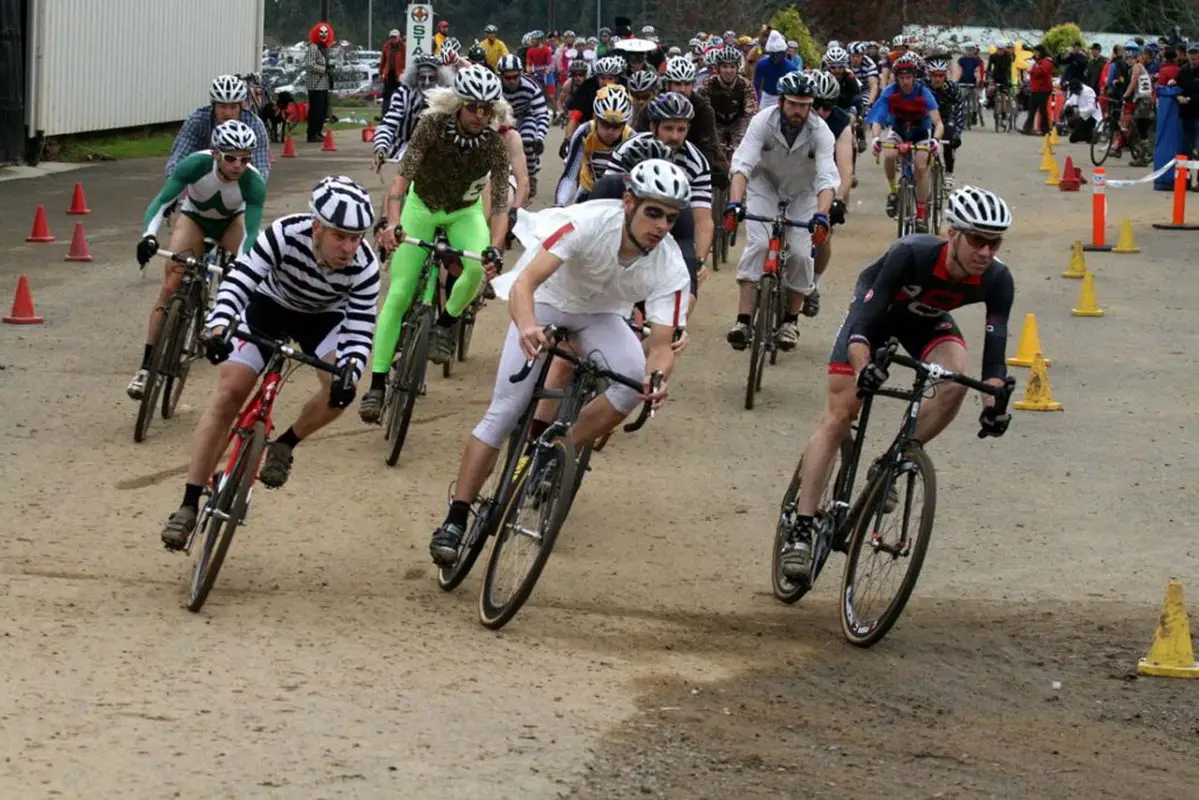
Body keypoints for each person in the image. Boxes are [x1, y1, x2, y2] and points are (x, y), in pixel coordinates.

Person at [426, 159, 691, 565]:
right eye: (653, 212)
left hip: (601, 316)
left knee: (633, 382)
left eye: (670, 219)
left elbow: (659, 347)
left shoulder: (670, 263)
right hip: (546, 301)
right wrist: (529, 327)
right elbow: (525, 285)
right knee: (506, 410)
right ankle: (456, 517)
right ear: (628, 202)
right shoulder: (587, 223)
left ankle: (553, 453)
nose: (660, 226)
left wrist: (659, 375)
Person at [778, 186, 1014, 580]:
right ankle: (801, 530)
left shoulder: (998, 279)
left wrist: (993, 405)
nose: (986, 252)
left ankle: (893, 459)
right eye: (977, 240)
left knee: (956, 379)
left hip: (926, 322)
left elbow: (994, 358)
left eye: (994, 243)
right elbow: (863, 328)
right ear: (952, 234)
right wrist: (864, 367)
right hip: (875, 317)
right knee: (839, 417)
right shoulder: (912, 254)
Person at [157, 176, 380, 549]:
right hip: (269, 307)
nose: (349, 247)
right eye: (340, 236)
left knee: (341, 391)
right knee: (230, 392)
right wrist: (217, 327)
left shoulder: (364, 268)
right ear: (317, 227)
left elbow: (359, 330)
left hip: (323, 319)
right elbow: (240, 280)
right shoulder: (284, 233)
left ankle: (285, 444)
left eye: (357, 238)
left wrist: (351, 370)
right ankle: (188, 503)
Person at [362, 66, 511, 421]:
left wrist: (497, 246)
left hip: (463, 212)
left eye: (486, 109)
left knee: (475, 269)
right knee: (398, 293)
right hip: (421, 206)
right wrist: (394, 224)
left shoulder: (493, 144)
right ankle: (378, 384)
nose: (479, 115)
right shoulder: (430, 126)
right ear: (458, 103)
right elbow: (402, 179)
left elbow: (502, 203)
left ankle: (445, 325)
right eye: (473, 106)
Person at [129, 121, 268, 399]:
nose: (238, 165)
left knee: (251, 275)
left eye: (245, 159)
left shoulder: (253, 183)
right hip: (195, 219)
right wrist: (149, 236)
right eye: (231, 158)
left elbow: (251, 233)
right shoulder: (195, 165)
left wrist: (241, 264)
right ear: (216, 153)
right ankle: (145, 367)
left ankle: (220, 324)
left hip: (231, 223)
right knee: (170, 287)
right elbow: (162, 202)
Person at [723, 72, 837, 351]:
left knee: (800, 253)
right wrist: (735, 203)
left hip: (804, 192)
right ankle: (743, 320)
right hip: (766, 186)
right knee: (759, 244)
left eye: (804, 104)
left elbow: (827, 179)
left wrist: (821, 215)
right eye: (793, 103)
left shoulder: (821, 131)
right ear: (782, 101)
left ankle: (790, 321)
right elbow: (742, 165)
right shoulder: (762, 122)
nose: (798, 110)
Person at [866, 53, 943, 231]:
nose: (905, 82)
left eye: (908, 77)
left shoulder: (924, 92)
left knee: (921, 165)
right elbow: (878, 119)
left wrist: (935, 140)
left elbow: (938, 122)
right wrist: (876, 138)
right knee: (890, 154)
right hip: (899, 130)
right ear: (897, 78)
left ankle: (922, 215)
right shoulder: (889, 91)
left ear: (914, 77)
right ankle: (894, 192)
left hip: (921, 132)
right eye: (901, 78)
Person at [808, 70, 855, 315]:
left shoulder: (841, 123)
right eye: (816, 105)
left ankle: (814, 284)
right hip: (795, 179)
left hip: (825, 181)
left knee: (823, 233)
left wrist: (838, 199)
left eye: (827, 107)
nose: (821, 112)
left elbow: (845, 169)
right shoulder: (796, 115)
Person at [637, 57, 726, 187]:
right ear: (668, 85)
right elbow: (640, 139)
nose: (683, 89)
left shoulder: (703, 109)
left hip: (693, 158)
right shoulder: (652, 106)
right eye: (678, 84)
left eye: (687, 84)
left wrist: (700, 175)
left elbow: (708, 146)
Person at [166, 75, 271, 180]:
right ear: (213, 106)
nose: (228, 113)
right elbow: (179, 157)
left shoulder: (255, 125)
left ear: (241, 106)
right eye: (222, 106)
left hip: (238, 180)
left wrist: (258, 187)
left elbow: (260, 164)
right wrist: (173, 183)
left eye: (233, 107)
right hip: (201, 177)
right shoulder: (197, 121)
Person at [555, 86, 634, 205]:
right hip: (588, 190)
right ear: (595, 118)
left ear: (625, 124)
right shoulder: (585, 132)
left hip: (619, 194)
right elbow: (569, 176)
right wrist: (559, 204)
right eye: (605, 124)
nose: (610, 131)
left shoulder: (632, 139)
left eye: (616, 126)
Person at [372, 56, 446, 168]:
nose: (427, 83)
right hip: (403, 149)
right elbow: (387, 125)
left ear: (439, 79)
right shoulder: (403, 94)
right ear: (415, 78)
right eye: (422, 78)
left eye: (431, 78)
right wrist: (381, 147)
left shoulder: (445, 98)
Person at [496, 55, 551, 198]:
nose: (512, 81)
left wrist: (539, 138)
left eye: (516, 76)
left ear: (521, 73)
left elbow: (542, 114)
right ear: (500, 76)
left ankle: (531, 175)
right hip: (502, 118)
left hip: (525, 116)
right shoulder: (495, 88)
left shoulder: (531, 87)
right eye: (508, 78)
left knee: (527, 141)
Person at [924, 60, 965, 176]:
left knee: (949, 142)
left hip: (946, 120)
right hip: (927, 121)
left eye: (941, 75)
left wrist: (957, 133)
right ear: (929, 75)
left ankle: (948, 173)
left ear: (946, 75)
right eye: (934, 75)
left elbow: (959, 111)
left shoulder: (952, 88)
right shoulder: (922, 86)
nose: (937, 79)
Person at [753, 30, 800, 107]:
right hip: (766, 98)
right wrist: (757, 101)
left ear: (784, 52)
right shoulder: (762, 64)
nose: (775, 57)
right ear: (769, 52)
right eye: (773, 53)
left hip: (784, 99)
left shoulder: (791, 68)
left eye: (778, 54)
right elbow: (756, 86)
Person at [306, 22, 335, 143]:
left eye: (326, 33)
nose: (323, 35)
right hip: (315, 84)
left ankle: (318, 131)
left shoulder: (324, 48)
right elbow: (310, 64)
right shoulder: (313, 47)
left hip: (323, 84)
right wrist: (324, 69)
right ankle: (312, 133)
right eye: (321, 32)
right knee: (315, 109)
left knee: (322, 110)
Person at [1062, 78, 1102, 143]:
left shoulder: (1088, 92)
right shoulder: (1076, 91)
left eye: (1076, 91)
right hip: (1083, 116)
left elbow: (1092, 108)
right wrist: (1066, 107)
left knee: (1073, 139)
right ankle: (1085, 134)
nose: (1075, 93)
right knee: (1070, 120)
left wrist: (1079, 112)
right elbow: (1071, 101)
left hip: (1092, 117)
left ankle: (1091, 134)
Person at [379, 29, 407, 116]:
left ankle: (401, 113)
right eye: (391, 37)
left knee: (401, 95)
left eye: (395, 37)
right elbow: (383, 60)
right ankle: (384, 114)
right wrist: (381, 73)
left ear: (399, 38)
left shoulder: (404, 48)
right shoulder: (386, 47)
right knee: (386, 95)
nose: (393, 39)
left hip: (399, 74)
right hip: (389, 74)